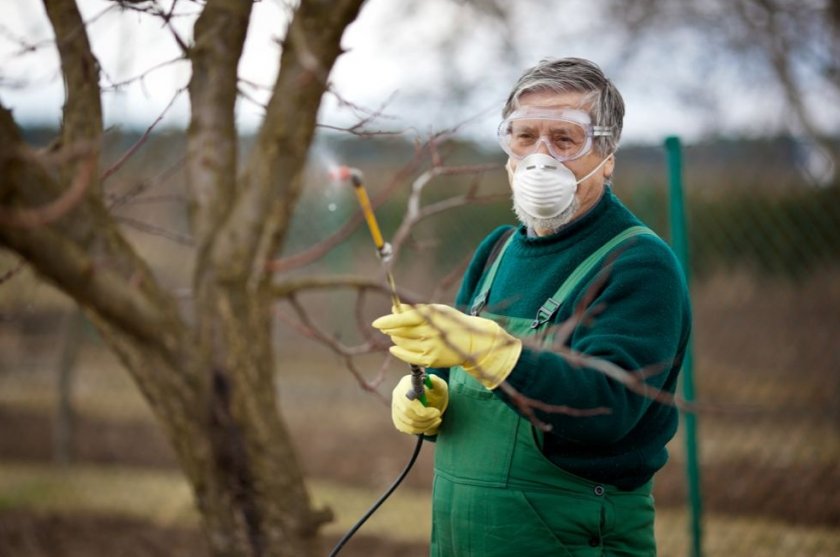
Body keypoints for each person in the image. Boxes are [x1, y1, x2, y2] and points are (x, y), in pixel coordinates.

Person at [372, 57, 691, 556]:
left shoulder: (639, 264)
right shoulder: (497, 251)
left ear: (607, 157)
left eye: (565, 139)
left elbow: (609, 407)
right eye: (524, 137)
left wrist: (496, 353)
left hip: (570, 537)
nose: (541, 157)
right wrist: (429, 396)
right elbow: (464, 383)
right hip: (464, 537)